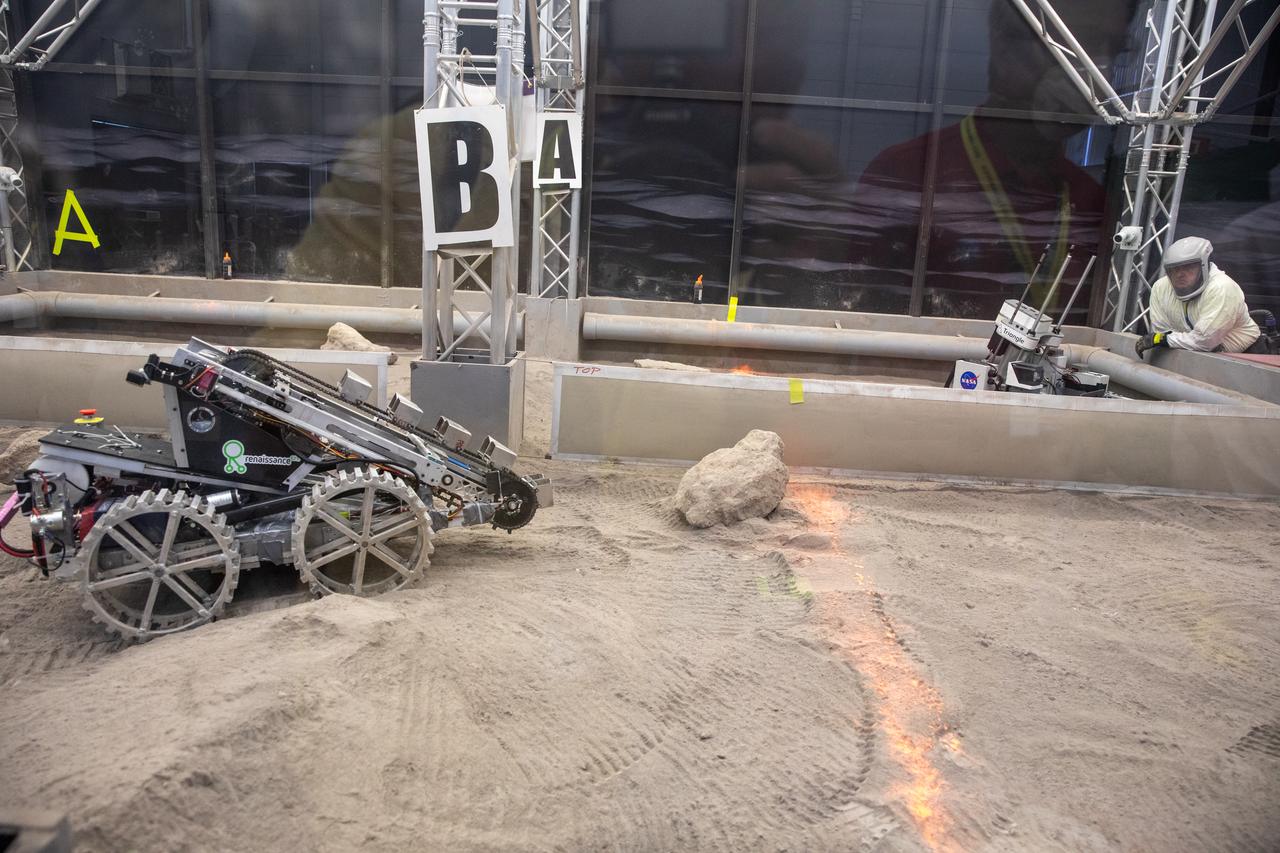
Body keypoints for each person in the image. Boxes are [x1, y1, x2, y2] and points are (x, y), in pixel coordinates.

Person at [1135, 236, 1262, 357]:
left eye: (1188, 267)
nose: (1180, 274)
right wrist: (1162, 339)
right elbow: (1163, 332)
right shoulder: (1160, 288)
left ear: (1204, 265)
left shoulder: (1222, 287)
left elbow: (1205, 341)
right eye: (1175, 269)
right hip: (1195, 353)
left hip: (1248, 355)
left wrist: (1162, 339)